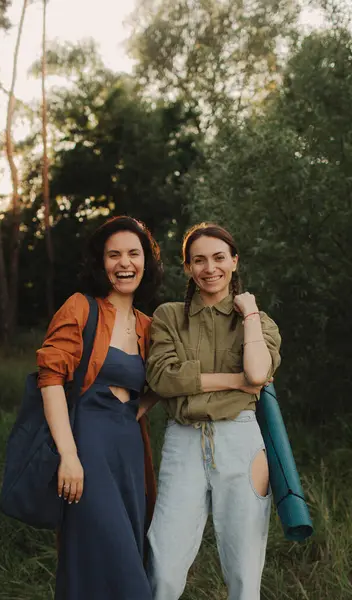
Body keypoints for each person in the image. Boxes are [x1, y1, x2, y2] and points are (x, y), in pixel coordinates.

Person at [146, 222, 281, 600]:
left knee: (244, 569)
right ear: (187, 267)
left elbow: (257, 371)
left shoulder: (258, 321)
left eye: (219, 258)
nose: (210, 268)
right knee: (164, 564)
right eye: (199, 260)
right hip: (183, 440)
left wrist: (250, 311)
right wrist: (236, 382)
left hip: (241, 440)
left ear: (234, 262)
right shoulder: (169, 317)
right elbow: (162, 379)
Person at [36, 216, 162, 600]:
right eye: (114, 255)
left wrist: (136, 409)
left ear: (146, 262)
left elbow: (167, 380)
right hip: (87, 446)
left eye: (133, 254)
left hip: (130, 450)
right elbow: (51, 378)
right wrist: (69, 454)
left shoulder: (150, 325)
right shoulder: (81, 308)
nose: (124, 263)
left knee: (128, 549)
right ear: (101, 263)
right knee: (115, 562)